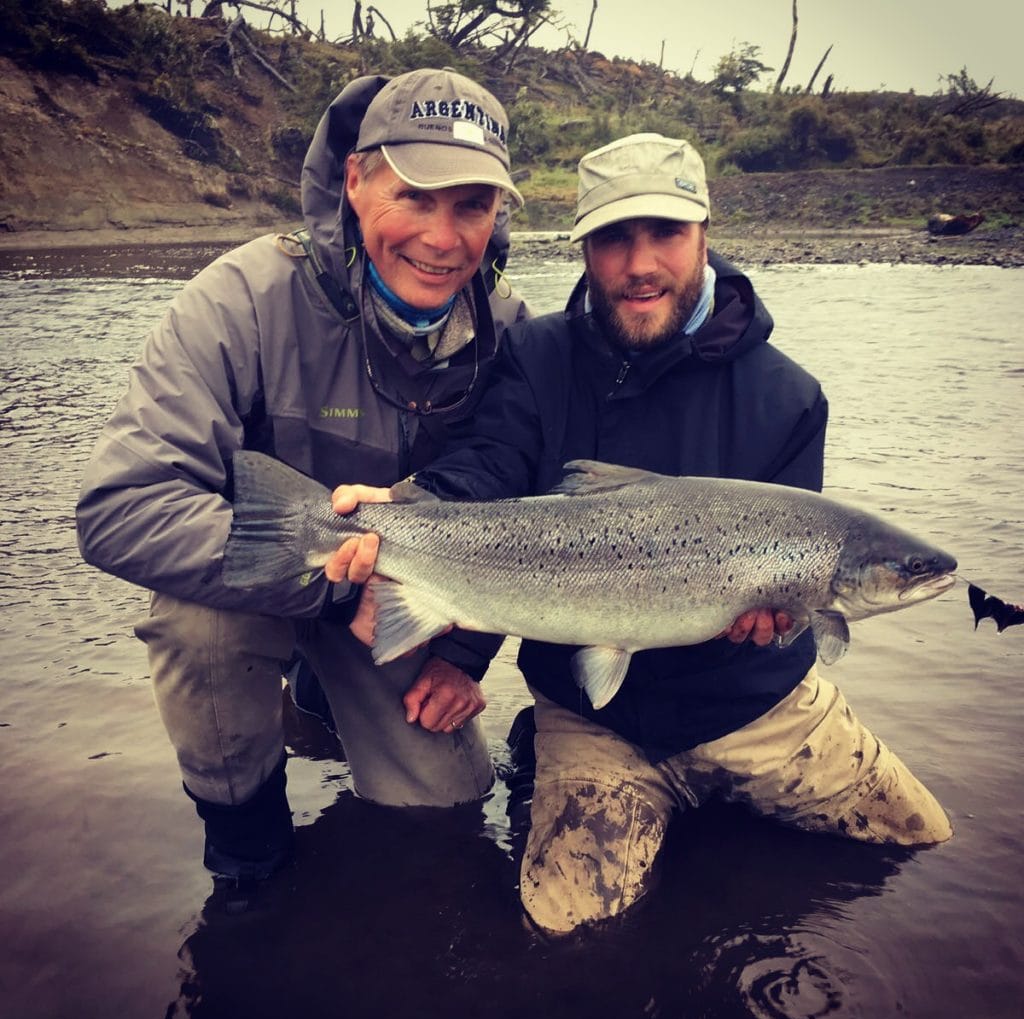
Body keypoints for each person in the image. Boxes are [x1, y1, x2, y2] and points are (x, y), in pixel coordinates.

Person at [327, 133, 953, 935]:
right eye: (615, 238)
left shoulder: (789, 397)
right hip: (597, 719)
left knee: (923, 842)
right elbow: (488, 477)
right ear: (586, 247)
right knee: (563, 931)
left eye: (665, 233)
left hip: (760, 708)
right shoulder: (538, 356)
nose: (640, 263)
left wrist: (775, 625)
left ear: (703, 233)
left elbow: (789, 593)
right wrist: (408, 514)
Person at [76, 68, 530, 883]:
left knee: (452, 806)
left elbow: (520, 525)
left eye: (471, 205)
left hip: (401, 601)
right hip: (256, 590)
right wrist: (328, 581)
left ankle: (319, 696)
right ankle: (244, 841)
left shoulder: (516, 333)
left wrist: (461, 658)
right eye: (415, 198)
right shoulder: (241, 299)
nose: (443, 236)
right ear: (355, 181)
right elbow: (120, 508)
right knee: (197, 628)